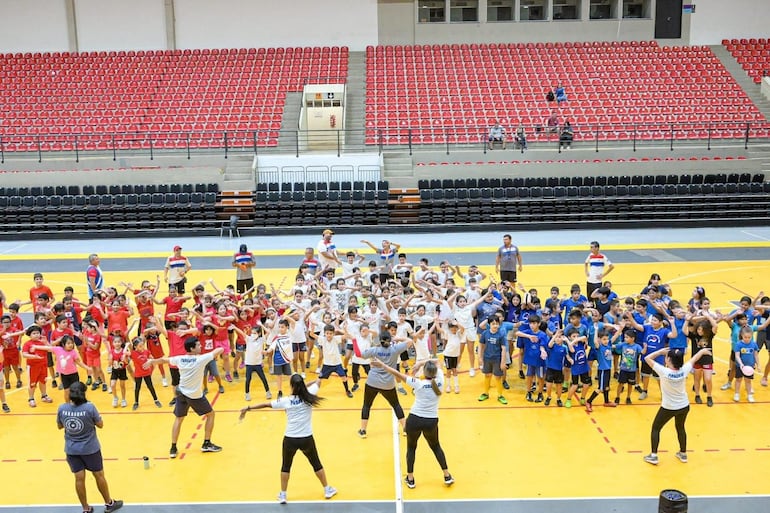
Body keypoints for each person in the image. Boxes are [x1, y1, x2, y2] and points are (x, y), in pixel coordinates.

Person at [240, 375, 337, 504]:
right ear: (302, 385)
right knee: (316, 464)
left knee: (286, 466)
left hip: (290, 439)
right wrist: (309, 382)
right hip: (306, 438)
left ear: (292, 386)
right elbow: (319, 381)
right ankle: (327, 489)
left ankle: (283, 495)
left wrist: (248, 408)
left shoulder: (286, 401)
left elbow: (266, 404)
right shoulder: (309, 396)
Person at [372, 359, 454, 488]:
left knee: (411, 448)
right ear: (435, 372)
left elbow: (397, 374)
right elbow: (437, 361)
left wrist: (382, 365)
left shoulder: (418, 383)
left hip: (414, 419)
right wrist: (422, 363)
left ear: (424, 372)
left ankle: (410, 479)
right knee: (436, 447)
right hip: (431, 421)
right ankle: (447, 475)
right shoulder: (440, 380)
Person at [144, 337, 224, 458]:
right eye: (198, 345)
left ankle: (173, 448)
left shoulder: (180, 359)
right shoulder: (201, 359)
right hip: (195, 396)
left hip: (181, 393)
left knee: (178, 419)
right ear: (192, 348)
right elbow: (220, 349)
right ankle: (206, 443)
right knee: (211, 414)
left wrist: (152, 361)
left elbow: (164, 360)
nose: (201, 346)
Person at [57, 381, 123, 513]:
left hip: (71, 450)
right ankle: (109, 503)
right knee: (99, 475)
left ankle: (85, 508)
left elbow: (60, 426)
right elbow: (100, 425)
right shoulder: (89, 408)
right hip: (90, 449)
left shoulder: (62, 408)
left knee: (79, 479)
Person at [643, 347, 711, 465]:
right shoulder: (684, 370)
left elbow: (647, 358)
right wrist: (702, 351)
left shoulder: (663, 371)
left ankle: (653, 456)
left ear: (669, 360)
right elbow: (695, 358)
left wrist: (660, 352)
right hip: (684, 406)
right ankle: (683, 453)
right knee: (680, 428)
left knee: (656, 428)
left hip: (668, 407)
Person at [352, 332, 411, 438]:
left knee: (367, 405)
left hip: (372, 382)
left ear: (380, 340)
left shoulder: (375, 350)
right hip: (388, 384)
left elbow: (358, 354)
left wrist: (354, 340)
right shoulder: (395, 349)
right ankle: (405, 428)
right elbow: (410, 341)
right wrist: (398, 338)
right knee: (396, 405)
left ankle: (363, 430)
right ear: (390, 340)